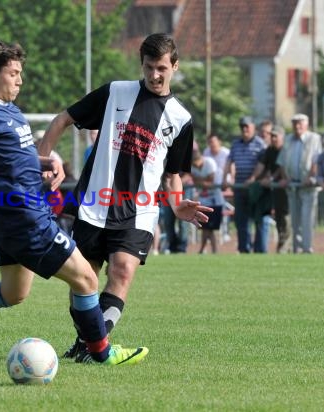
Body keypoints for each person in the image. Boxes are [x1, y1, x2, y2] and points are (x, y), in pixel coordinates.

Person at [0, 39, 148, 366]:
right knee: (88, 279)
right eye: (13, 73)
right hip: (25, 218)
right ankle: (102, 353)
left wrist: (45, 163)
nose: (19, 80)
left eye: (20, 73)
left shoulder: (10, 111)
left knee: (13, 293)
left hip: (16, 220)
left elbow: (14, 158)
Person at [37, 33, 212, 362]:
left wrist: (177, 203)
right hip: (93, 205)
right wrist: (41, 160)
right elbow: (63, 119)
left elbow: (172, 174)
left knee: (122, 272)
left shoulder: (181, 119)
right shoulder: (116, 91)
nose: (155, 75)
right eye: (149, 67)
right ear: (141, 64)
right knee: (83, 282)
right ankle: (89, 343)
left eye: (162, 68)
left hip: (139, 212)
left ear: (175, 66)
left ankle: (94, 347)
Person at [276, 113, 322, 253]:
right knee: (295, 220)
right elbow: (282, 162)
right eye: (295, 123)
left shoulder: (314, 138)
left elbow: (316, 160)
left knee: (307, 219)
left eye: (300, 123)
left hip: (307, 186)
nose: (297, 126)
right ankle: (297, 249)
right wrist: (285, 178)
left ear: (306, 124)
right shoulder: (288, 139)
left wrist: (310, 176)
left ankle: (307, 248)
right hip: (292, 186)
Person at [223, 116, 267, 253]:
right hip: (240, 187)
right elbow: (229, 162)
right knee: (241, 221)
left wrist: (253, 178)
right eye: (242, 126)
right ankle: (244, 249)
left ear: (253, 127)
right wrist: (225, 178)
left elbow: (263, 164)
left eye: (247, 126)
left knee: (258, 220)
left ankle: (259, 250)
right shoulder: (236, 144)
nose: (244, 129)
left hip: (255, 189)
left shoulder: (260, 144)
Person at [255, 125, 290, 253]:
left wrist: (272, 178)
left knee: (287, 217)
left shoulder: (286, 148)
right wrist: (261, 178)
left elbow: (282, 167)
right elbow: (267, 167)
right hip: (277, 189)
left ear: (282, 137)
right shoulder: (270, 150)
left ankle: (285, 247)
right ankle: (283, 246)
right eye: (272, 136)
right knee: (280, 217)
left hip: (287, 187)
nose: (273, 138)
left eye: (275, 136)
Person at [191, 148, 224, 253]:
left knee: (211, 228)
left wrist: (199, 180)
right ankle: (209, 250)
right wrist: (203, 181)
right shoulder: (192, 166)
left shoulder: (209, 162)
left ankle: (209, 250)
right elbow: (197, 181)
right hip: (203, 199)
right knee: (205, 227)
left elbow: (211, 182)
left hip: (215, 199)